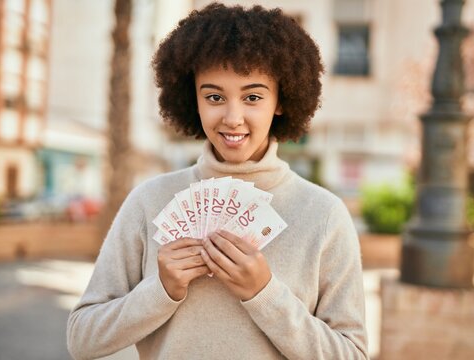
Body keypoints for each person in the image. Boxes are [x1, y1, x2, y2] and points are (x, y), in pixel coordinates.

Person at [67, 3, 368, 359]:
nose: (232, 117)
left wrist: (264, 294)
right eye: (214, 97)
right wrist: (160, 290)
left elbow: (352, 355)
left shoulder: (324, 215)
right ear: (192, 99)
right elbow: (82, 339)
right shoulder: (150, 200)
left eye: (253, 97)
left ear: (281, 101)